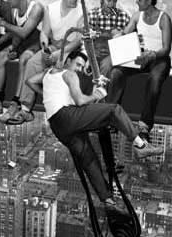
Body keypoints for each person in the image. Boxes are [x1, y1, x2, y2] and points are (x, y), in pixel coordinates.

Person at [26, 50, 163, 211]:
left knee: (89, 160)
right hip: (67, 116)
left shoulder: (48, 73)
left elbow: (30, 81)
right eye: (77, 64)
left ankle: (108, 201)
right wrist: (97, 94)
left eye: (82, 66)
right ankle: (141, 146)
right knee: (114, 111)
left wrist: (47, 94)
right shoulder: (69, 74)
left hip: (58, 126)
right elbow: (80, 101)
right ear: (67, 61)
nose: (78, 68)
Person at [6, 0, 84, 125]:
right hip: (54, 46)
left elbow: (77, 40)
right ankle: (25, 109)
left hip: (71, 50)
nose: (74, 0)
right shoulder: (51, 8)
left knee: (61, 69)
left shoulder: (81, 12)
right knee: (32, 63)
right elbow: (44, 32)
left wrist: (60, 53)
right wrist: (44, 47)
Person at [107, 0, 171, 141]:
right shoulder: (137, 16)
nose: (137, 2)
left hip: (159, 59)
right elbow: (126, 32)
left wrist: (151, 55)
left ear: (149, 1)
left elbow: (166, 48)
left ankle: (144, 127)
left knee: (155, 80)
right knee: (116, 73)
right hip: (140, 56)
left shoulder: (164, 18)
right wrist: (118, 34)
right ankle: (112, 118)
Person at [87, 0, 131, 77]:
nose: (111, 4)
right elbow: (86, 40)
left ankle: (100, 90)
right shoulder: (92, 15)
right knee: (85, 66)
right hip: (95, 52)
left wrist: (120, 35)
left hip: (115, 53)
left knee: (105, 66)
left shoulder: (124, 16)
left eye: (114, 1)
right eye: (108, 0)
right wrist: (88, 57)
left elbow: (130, 43)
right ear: (101, 0)